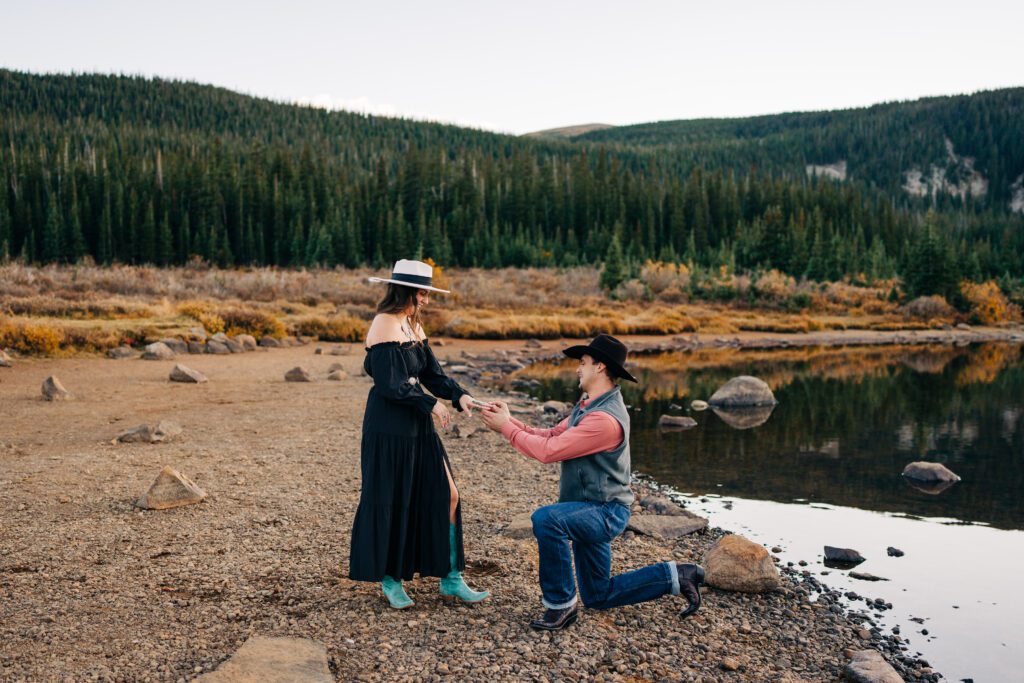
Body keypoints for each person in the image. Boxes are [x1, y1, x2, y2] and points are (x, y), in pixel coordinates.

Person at [480, 333, 704, 630]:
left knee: (547, 520)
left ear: (600, 367)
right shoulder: (588, 406)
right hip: (587, 508)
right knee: (599, 595)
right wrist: (508, 421)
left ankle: (561, 606)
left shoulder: (604, 420)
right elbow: (549, 436)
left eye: (583, 363)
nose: (578, 368)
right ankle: (677, 576)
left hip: (605, 511)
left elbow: (549, 453)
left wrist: (507, 429)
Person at [349, 259, 490, 609]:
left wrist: (460, 396)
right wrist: (429, 404)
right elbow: (390, 385)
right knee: (393, 499)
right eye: (423, 291)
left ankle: (451, 577)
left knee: (449, 494)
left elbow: (431, 373)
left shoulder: (412, 325)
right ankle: (390, 579)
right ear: (407, 291)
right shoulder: (384, 324)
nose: (426, 298)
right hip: (388, 427)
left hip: (416, 425)